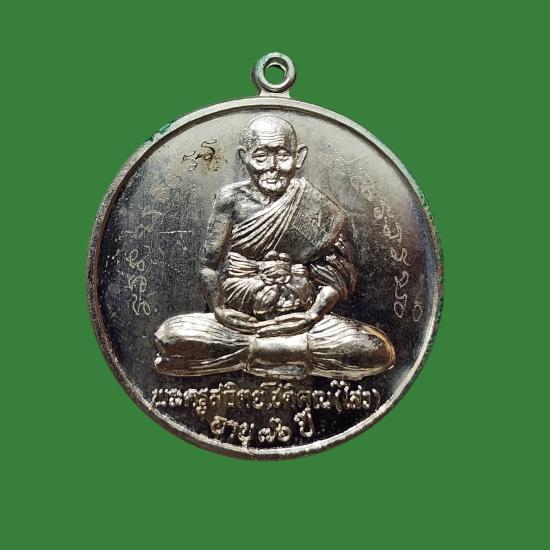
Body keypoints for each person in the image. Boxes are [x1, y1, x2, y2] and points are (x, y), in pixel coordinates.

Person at [154, 115, 395, 380]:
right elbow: (208, 266)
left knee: (376, 349)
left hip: (301, 321)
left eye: (282, 156)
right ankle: (285, 353)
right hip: (240, 322)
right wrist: (221, 311)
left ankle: (248, 353)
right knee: (170, 335)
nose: (273, 167)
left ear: (299, 157)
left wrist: (313, 314)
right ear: (244, 157)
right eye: (261, 157)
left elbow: (335, 276)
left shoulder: (319, 210)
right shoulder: (230, 200)